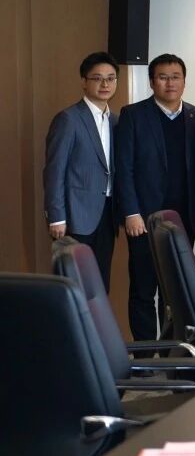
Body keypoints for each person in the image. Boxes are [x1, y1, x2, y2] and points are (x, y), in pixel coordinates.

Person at [115, 53, 195, 341]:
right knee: (143, 290)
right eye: (163, 77)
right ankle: (144, 353)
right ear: (152, 82)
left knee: (175, 292)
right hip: (143, 218)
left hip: (183, 219)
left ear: (184, 81)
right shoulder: (133, 115)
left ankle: (169, 352)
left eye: (175, 77)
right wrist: (131, 212)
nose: (170, 83)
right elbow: (124, 168)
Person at [44, 51, 120, 289]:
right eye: (97, 78)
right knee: (75, 284)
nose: (105, 84)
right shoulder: (68, 119)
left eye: (110, 78)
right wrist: (56, 216)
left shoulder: (116, 120)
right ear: (84, 82)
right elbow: (54, 170)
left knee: (101, 284)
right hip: (75, 216)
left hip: (107, 213)